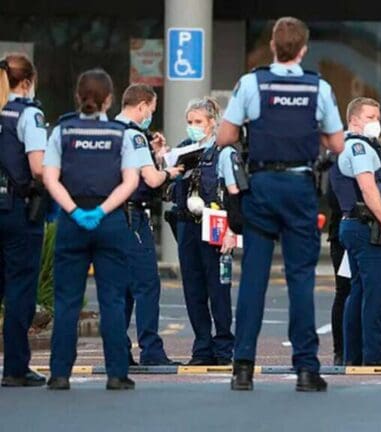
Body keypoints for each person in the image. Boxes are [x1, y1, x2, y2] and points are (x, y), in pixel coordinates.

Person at [217, 16, 344, 392]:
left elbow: (225, 135)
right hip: (300, 186)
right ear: (304, 49)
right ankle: (306, 369)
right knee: (300, 279)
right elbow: (337, 145)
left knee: (253, 279)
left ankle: (242, 368)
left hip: (261, 184)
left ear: (273, 45)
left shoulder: (252, 83)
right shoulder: (318, 88)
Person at [43, 68, 143, 390]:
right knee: (112, 299)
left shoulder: (62, 131)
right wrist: (101, 210)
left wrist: (73, 210)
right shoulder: (121, 133)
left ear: (77, 97)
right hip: (110, 220)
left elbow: (50, 177)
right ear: (110, 100)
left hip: (73, 221)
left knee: (67, 301)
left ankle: (59, 374)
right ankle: (116, 373)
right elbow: (131, 181)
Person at [330, 97, 381, 367]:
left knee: (359, 291)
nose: (376, 122)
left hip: (353, 224)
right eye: (370, 117)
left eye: (377, 116)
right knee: (374, 293)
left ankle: (355, 355)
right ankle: (374, 353)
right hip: (366, 226)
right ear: (353, 120)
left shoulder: (348, 145)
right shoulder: (359, 146)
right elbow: (368, 188)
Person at [114, 84, 183, 366]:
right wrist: (170, 170)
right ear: (141, 105)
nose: (149, 117)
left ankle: (119, 350)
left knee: (123, 287)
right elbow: (152, 180)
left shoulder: (111, 130)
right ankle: (151, 351)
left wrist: (155, 155)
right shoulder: (134, 135)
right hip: (132, 217)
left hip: (112, 215)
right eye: (150, 111)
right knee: (146, 284)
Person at [169, 97, 239, 366]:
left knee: (218, 288)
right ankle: (202, 348)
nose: (193, 127)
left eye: (198, 122)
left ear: (212, 123)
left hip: (215, 223)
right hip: (187, 225)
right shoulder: (182, 151)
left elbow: (234, 195)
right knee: (193, 289)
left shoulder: (224, 152)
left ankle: (223, 349)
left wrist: (233, 230)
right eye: (189, 122)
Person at [0, 53, 47, 387]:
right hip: (17, 210)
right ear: (27, 81)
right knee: (19, 288)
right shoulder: (28, 114)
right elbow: (38, 167)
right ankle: (15, 368)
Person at [324, 149, 352, 366]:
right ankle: (341, 350)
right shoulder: (340, 156)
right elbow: (333, 197)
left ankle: (357, 347)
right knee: (344, 290)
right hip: (343, 232)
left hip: (363, 231)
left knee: (362, 291)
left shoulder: (374, 150)